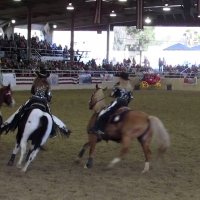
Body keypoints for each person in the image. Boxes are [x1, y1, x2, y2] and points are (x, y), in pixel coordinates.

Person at [1, 67, 68, 138]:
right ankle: (52, 132)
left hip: (33, 99)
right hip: (43, 101)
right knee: (49, 114)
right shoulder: (47, 85)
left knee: (21, 110)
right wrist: (48, 99)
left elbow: (32, 91)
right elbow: (49, 97)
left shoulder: (35, 82)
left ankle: (12, 123)